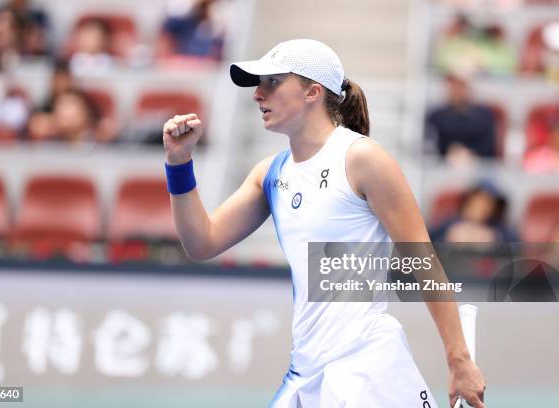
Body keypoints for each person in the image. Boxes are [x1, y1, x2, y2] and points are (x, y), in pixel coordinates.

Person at [162, 39, 486, 407]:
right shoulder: (269, 173)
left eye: (271, 82)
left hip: (366, 367)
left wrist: (459, 360)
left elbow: (422, 261)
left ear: (312, 92)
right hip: (305, 371)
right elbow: (201, 243)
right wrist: (178, 164)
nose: (257, 95)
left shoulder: (363, 159)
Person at [426, 73, 497, 162]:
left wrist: (470, 154)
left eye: (460, 86)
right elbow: (431, 145)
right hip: (443, 165)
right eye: (453, 86)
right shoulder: (436, 116)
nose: (456, 91)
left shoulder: (484, 115)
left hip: (480, 165)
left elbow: (489, 146)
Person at [430, 182, 519, 243]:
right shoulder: (451, 221)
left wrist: (494, 237)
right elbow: (429, 239)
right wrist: (450, 236)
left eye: (488, 203)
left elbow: (513, 241)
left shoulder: (496, 225)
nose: (482, 207)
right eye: (479, 201)